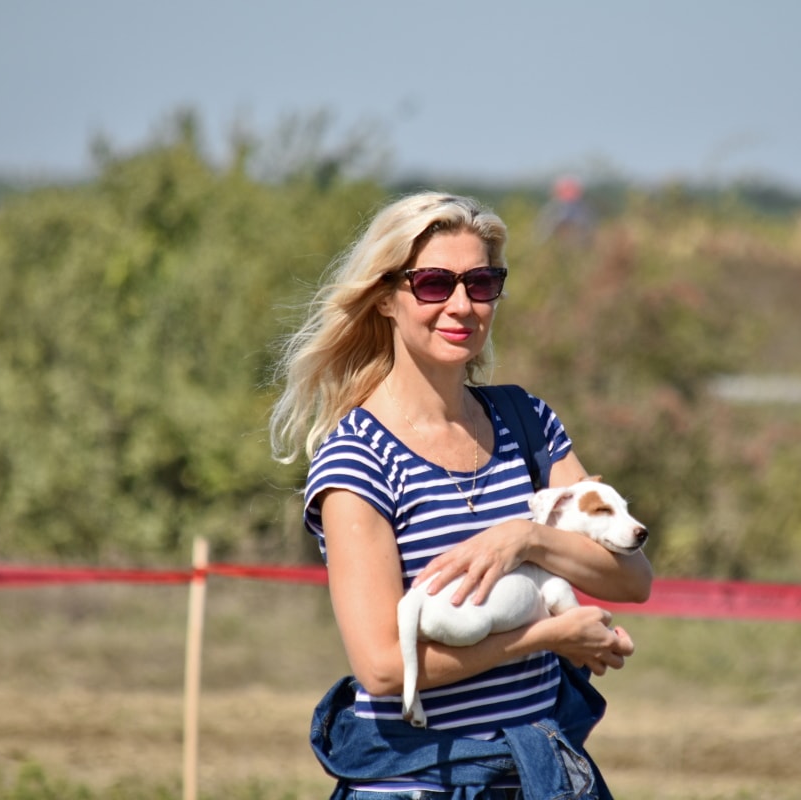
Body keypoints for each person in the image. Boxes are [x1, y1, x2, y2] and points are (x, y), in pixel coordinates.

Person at [270, 192, 652, 799]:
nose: (461, 305)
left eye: (480, 282)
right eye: (432, 284)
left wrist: (525, 537)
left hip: (534, 777)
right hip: (418, 783)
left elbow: (632, 579)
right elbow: (383, 667)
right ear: (386, 298)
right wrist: (546, 637)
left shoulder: (528, 421)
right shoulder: (356, 460)